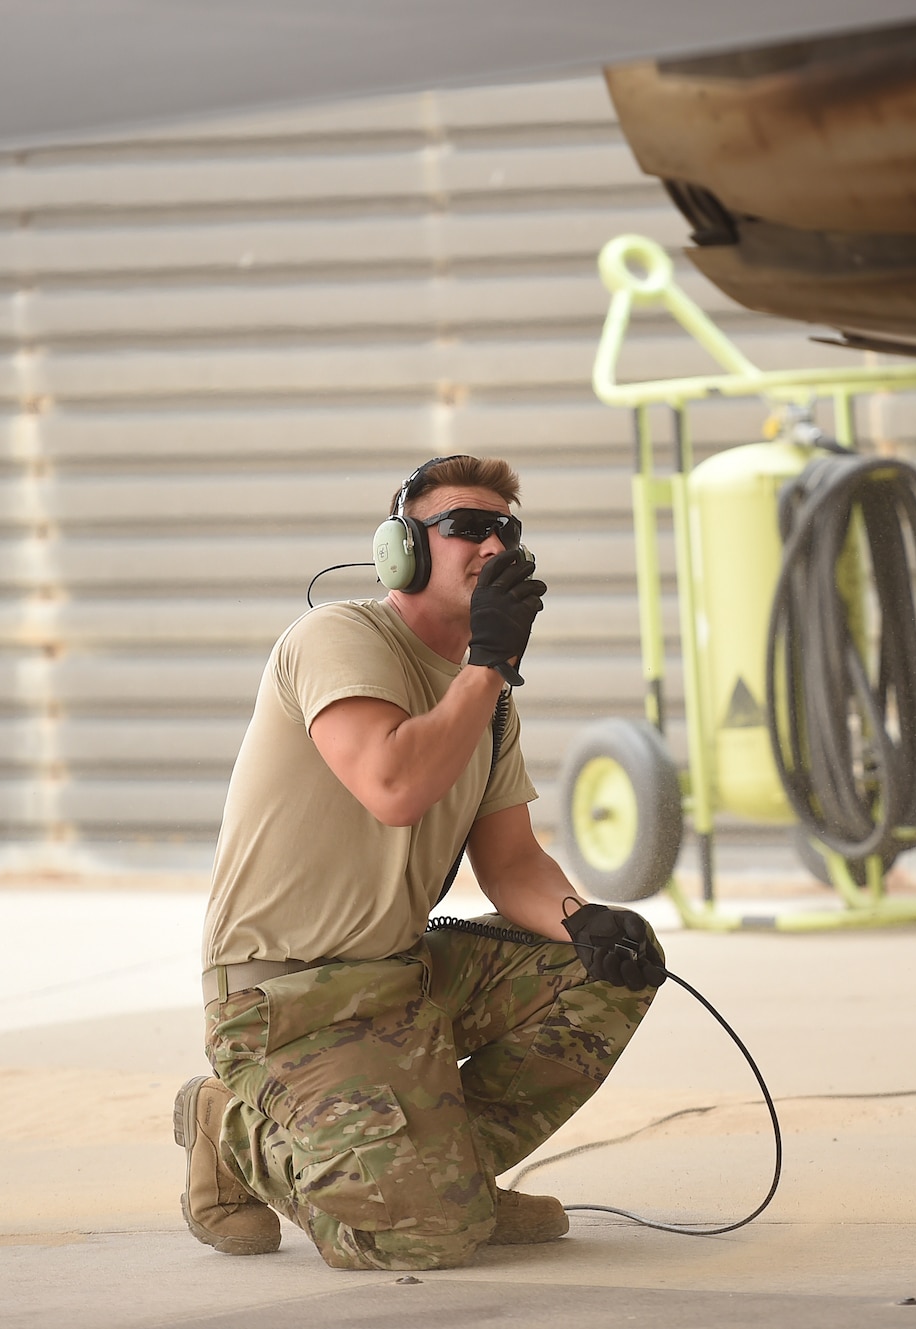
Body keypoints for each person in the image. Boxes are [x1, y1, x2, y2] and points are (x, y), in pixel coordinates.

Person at [175, 454, 667, 1272]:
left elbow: (511, 862)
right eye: (465, 526)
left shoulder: (490, 698)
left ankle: (452, 1175)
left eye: (505, 530)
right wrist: (488, 663)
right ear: (401, 549)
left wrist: (586, 921)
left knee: (606, 967)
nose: (490, 544)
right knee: (418, 1238)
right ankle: (228, 1125)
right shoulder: (336, 638)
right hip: (285, 999)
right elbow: (393, 783)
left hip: (402, 977)